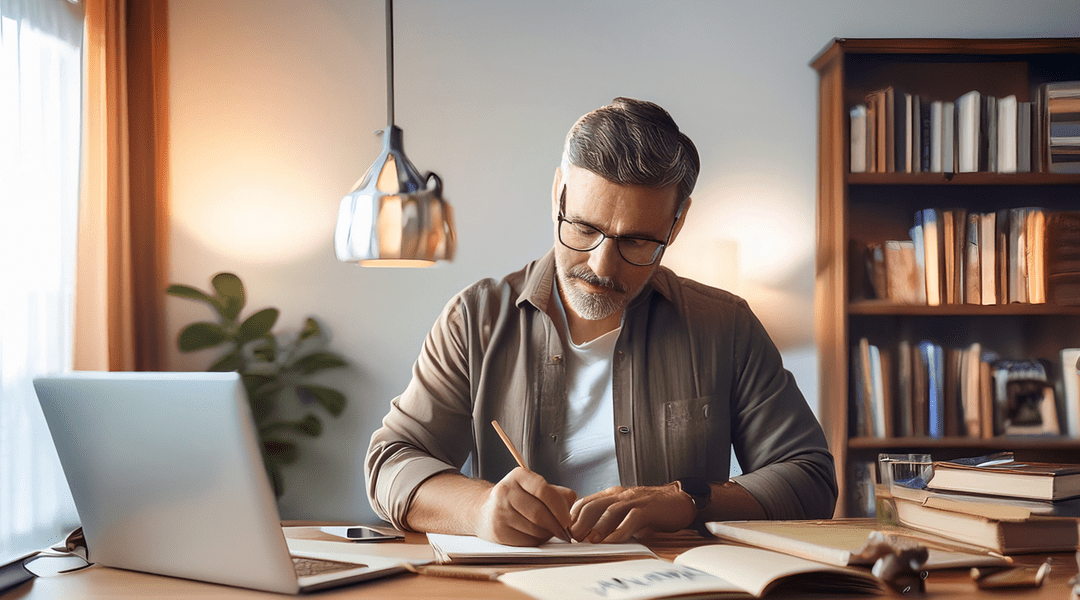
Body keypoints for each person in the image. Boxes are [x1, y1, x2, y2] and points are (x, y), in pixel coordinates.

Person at [365, 97, 836, 547]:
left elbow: (809, 476)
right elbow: (390, 462)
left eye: (636, 241)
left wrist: (686, 501)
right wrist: (480, 510)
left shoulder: (725, 325)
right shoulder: (475, 319)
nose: (602, 265)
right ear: (558, 193)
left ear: (677, 222)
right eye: (584, 228)